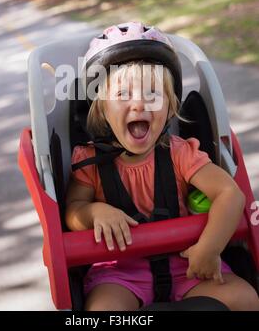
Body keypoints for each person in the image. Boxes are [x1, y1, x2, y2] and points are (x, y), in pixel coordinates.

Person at [65, 22, 259, 311]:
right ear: (102, 109)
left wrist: (210, 247)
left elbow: (230, 195)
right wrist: (94, 212)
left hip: (187, 262)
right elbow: (72, 212)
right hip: (120, 271)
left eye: (152, 94)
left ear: (170, 107)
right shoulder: (88, 161)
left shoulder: (181, 153)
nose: (139, 105)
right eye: (122, 95)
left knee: (246, 299)